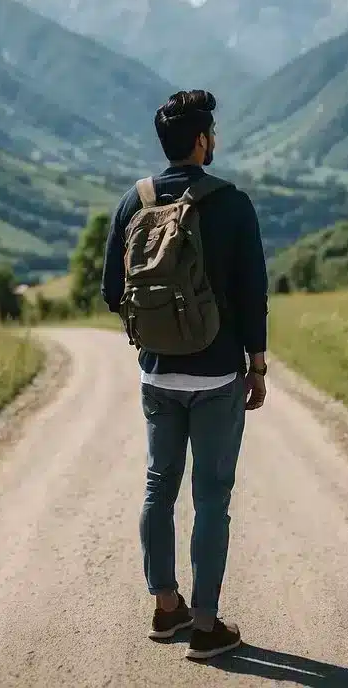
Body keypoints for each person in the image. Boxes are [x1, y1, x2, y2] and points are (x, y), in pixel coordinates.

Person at [101, 89, 269, 661]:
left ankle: (166, 606)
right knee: (212, 497)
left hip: (157, 375)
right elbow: (253, 295)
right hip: (219, 375)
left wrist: (159, 329)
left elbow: (109, 293)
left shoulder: (134, 200)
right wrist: (257, 363)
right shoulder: (232, 203)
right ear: (201, 141)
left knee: (158, 487)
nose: (214, 141)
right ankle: (205, 625)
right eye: (212, 133)